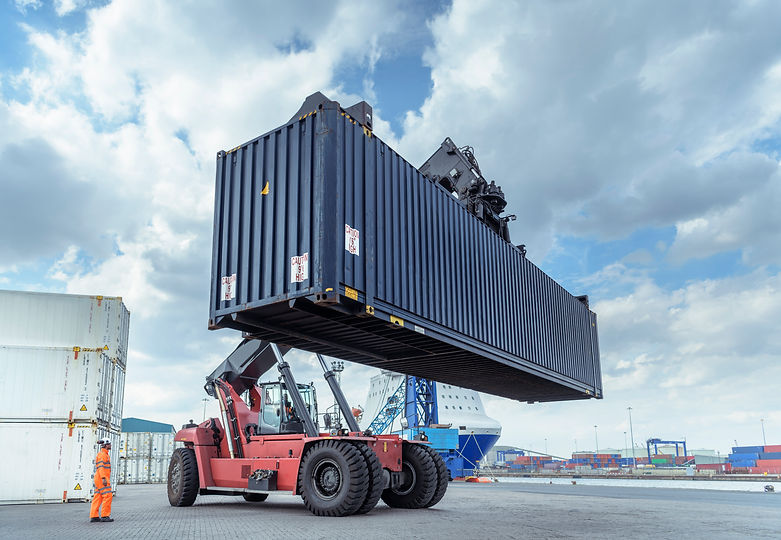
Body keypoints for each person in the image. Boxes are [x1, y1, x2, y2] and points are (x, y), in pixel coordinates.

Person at [89, 438, 114, 523]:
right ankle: (105, 515)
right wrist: (103, 478)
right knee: (108, 495)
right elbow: (101, 467)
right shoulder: (103, 455)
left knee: (98, 497)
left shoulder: (103, 454)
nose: (110, 445)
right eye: (109, 444)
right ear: (106, 445)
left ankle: (94, 516)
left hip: (99, 478)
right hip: (102, 478)